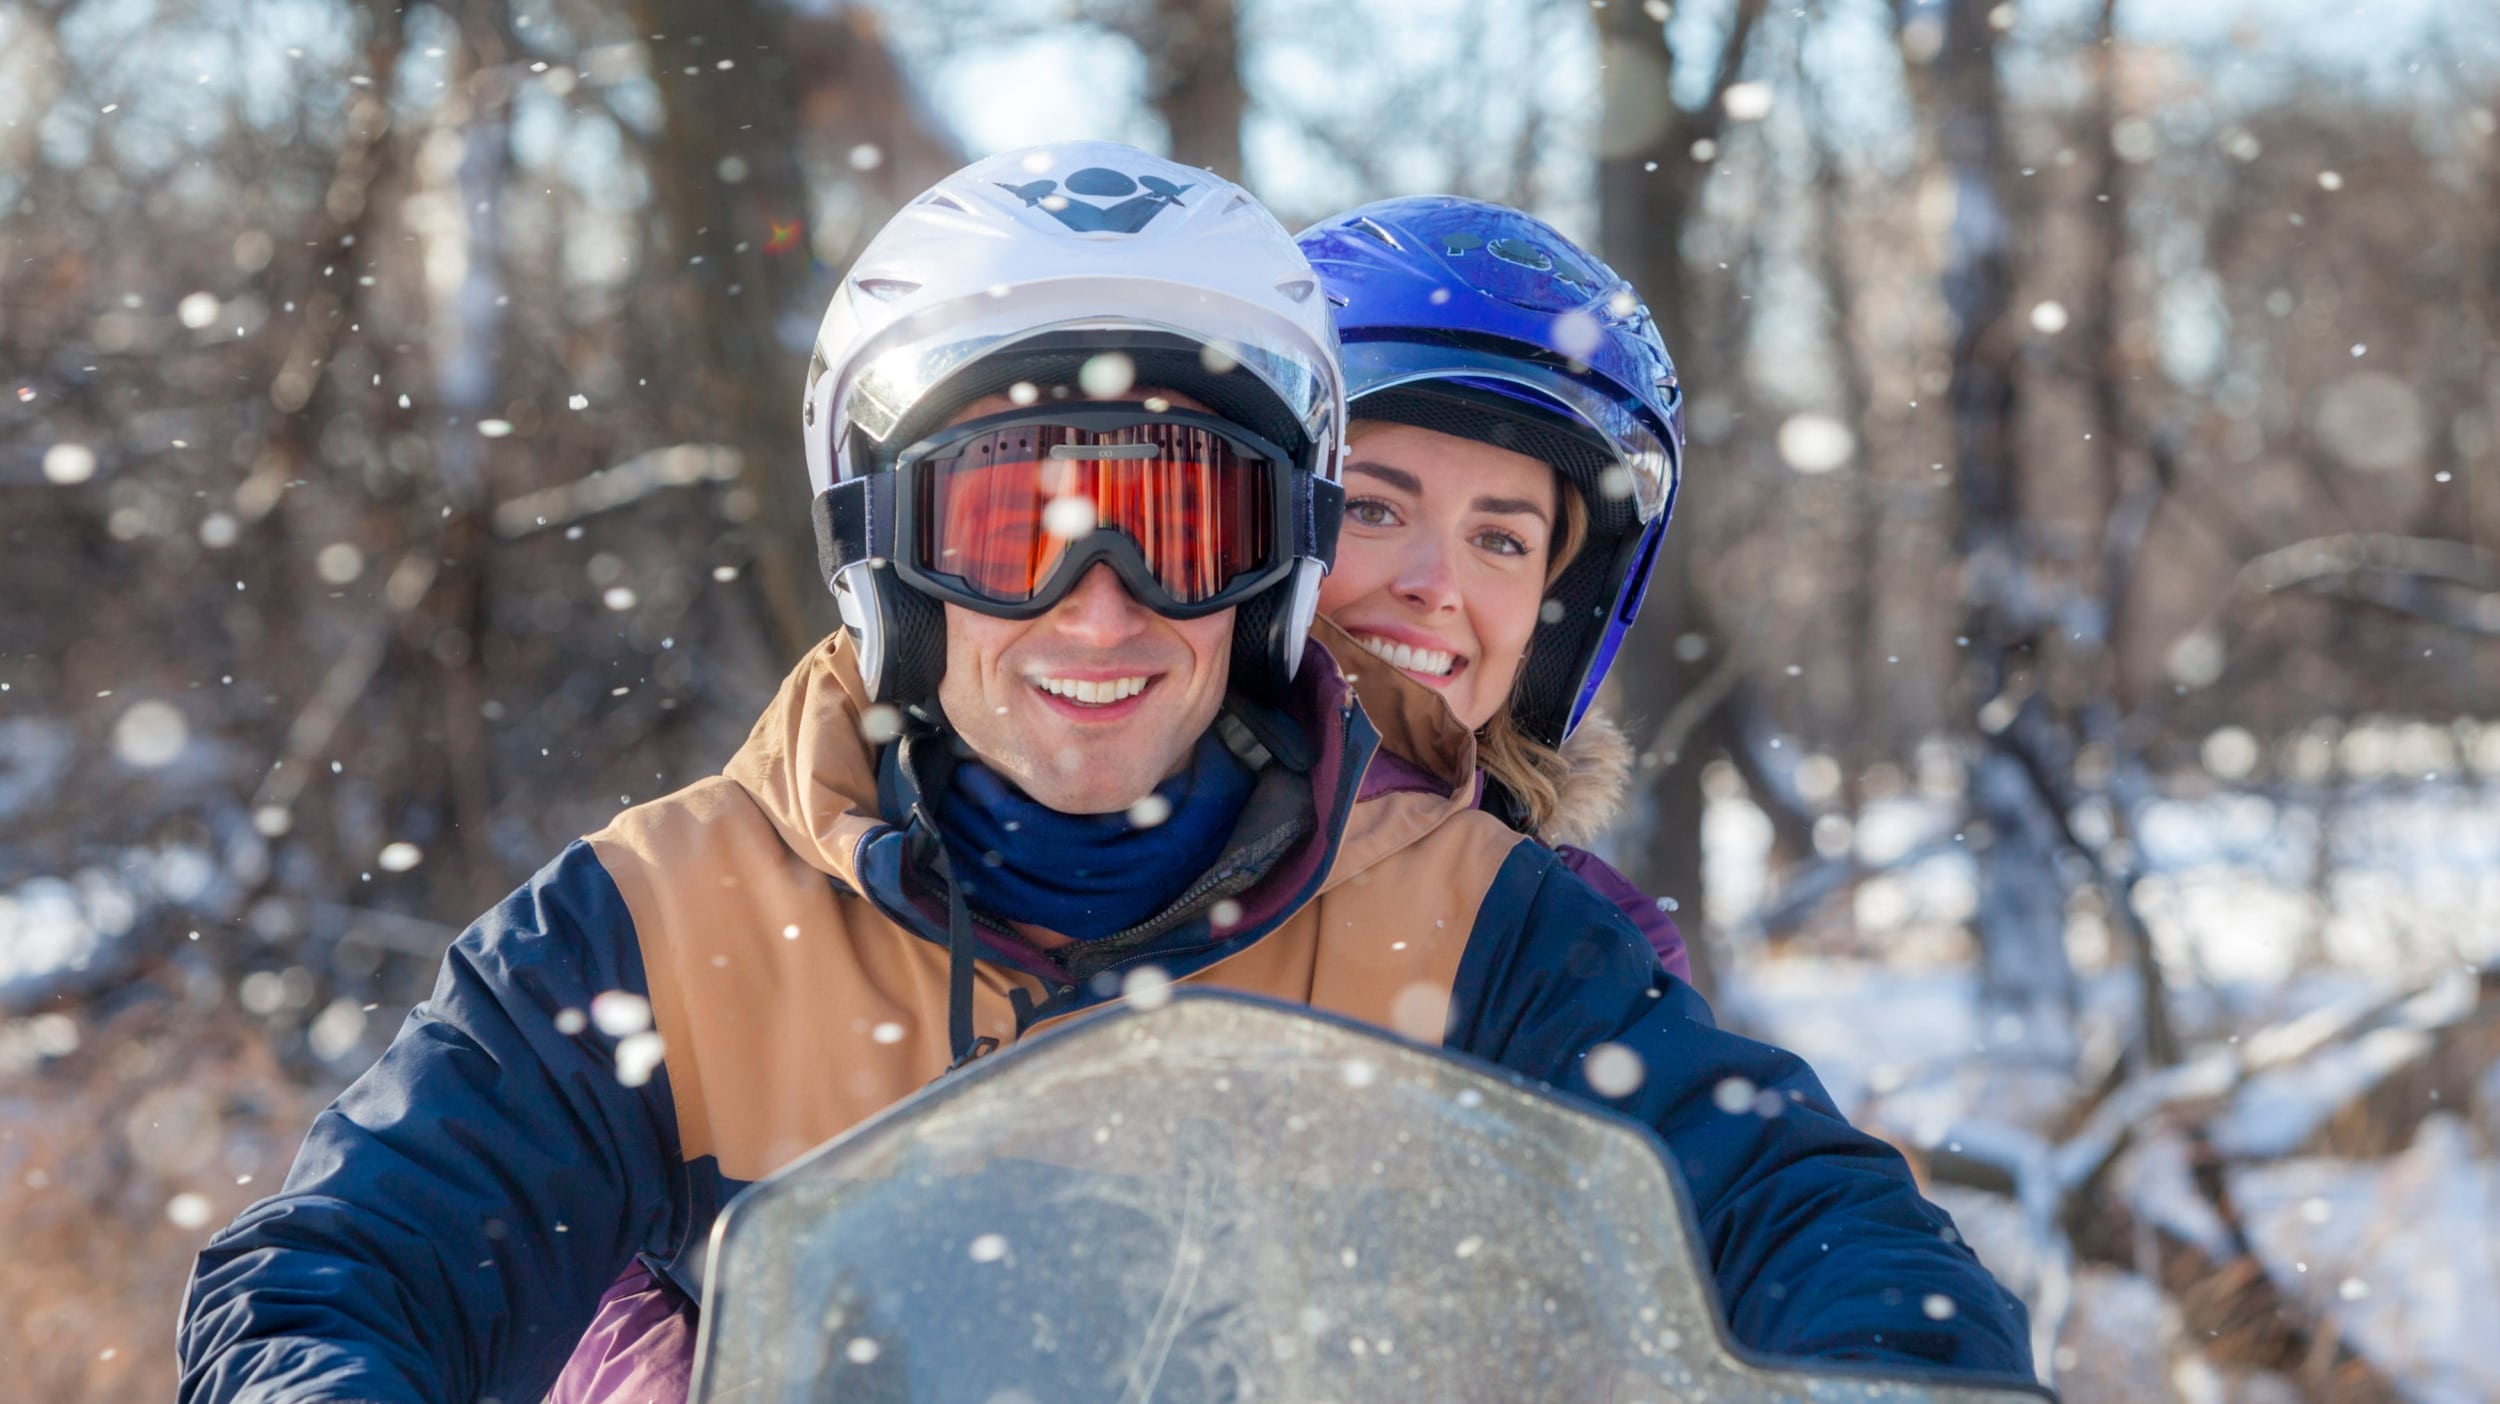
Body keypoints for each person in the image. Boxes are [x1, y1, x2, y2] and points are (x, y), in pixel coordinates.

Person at [179, 143, 2032, 1404]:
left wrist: (1899, 1355)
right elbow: (340, 1267)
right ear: (888, 554)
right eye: (1014, 526)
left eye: (1186, 521)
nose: (1103, 601)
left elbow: (1803, 1211)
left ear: (1274, 563)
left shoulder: (1484, 926)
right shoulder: (662, 924)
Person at [1299, 196, 1690, 980]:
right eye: (1372, 510)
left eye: (1499, 541)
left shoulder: (1585, 950)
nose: (1437, 586)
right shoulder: (1084, 857)